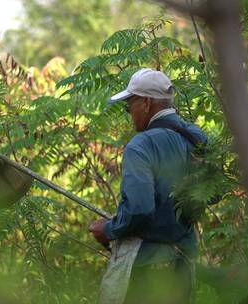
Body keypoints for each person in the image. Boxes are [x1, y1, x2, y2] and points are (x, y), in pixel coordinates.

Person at [89, 68, 208, 303]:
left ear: (145, 103)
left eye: (129, 105)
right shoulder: (197, 138)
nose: (128, 112)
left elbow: (139, 209)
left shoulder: (140, 145)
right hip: (183, 265)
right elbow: (212, 194)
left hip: (145, 268)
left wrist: (109, 230)